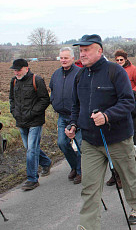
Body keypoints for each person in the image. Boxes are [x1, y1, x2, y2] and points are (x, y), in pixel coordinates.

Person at [66, 34, 136, 228]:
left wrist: (107, 115)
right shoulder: (80, 75)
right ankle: (88, 226)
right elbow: (77, 106)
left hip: (117, 138)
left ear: (99, 50)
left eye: (86, 50)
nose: (82, 54)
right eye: (80, 50)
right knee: (89, 187)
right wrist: (73, 124)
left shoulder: (115, 71)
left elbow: (128, 102)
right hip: (90, 141)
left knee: (128, 177)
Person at [9, 59, 51, 191]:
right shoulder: (14, 81)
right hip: (21, 121)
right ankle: (46, 162)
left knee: (31, 150)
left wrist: (32, 113)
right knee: (29, 148)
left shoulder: (36, 80)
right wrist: (14, 111)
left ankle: (32, 179)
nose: (16, 72)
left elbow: (45, 100)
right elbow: (11, 99)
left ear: (26, 68)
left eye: (19, 69)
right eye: (15, 70)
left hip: (34, 121)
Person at [105, 49, 136, 187]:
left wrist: (132, 92)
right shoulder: (112, 71)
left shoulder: (133, 69)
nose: (119, 62)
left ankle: (134, 144)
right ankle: (115, 174)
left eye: (121, 60)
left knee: (131, 127)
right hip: (115, 107)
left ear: (126, 59)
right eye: (117, 60)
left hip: (130, 103)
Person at [49, 47, 82, 184]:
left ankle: (81, 172)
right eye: (61, 58)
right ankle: (74, 166)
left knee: (80, 144)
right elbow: (52, 90)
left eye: (66, 58)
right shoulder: (56, 74)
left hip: (78, 115)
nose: (63, 60)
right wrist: (54, 102)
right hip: (62, 116)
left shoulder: (80, 73)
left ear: (73, 59)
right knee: (62, 143)